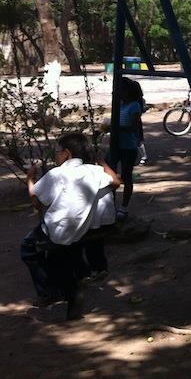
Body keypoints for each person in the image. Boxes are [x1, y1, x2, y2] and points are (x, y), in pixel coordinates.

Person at [20, 132, 121, 319]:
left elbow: (37, 202)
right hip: (80, 228)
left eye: (58, 152)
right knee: (63, 256)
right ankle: (72, 288)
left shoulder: (57, 174)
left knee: (27, 249)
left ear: (66, 153)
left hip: (56, 229)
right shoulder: (94, 171)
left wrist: (30, 179)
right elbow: (116, 181)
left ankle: (48, 292)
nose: (56, 156)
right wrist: (102, 164)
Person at [107, 77, 142, 221]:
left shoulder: (134, 106)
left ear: (128, 91)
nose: (119, 93)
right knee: (110, 176)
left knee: (126, 176)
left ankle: (124, 207)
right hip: (116, 145)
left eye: (121, 91)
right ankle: (110, 206)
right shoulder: (119, 104)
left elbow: (134, 127)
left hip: (128, 146)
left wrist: (115, 128)